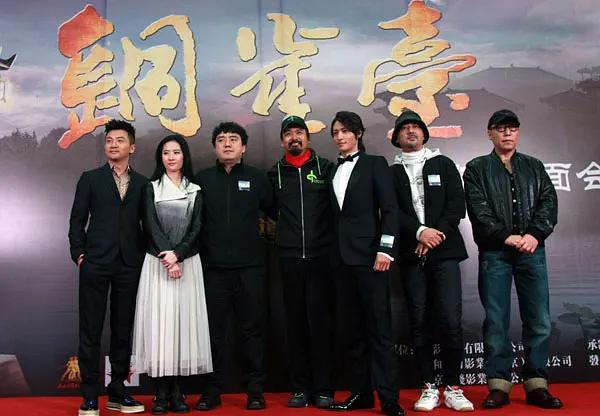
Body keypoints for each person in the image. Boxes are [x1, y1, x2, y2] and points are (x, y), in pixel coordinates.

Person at [463, 109, 563, 409]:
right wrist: (506, 236)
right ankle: (498, 385)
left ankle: (536, 385)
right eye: (501, 128)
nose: (507, 133)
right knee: (496, 321)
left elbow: (548, 202)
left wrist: (534, 234)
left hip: (532, 251)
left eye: (512, 128)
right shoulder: (477, 168)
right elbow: (478, 210)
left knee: (539, 320)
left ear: (518, 133)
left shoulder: (534, 165)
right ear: (489, 133)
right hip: (495, 253)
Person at [389, 110, 473, 412]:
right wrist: (419, 232)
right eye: (405, 128)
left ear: (424, 134)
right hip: (412, 255)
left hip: (445, 253)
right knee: (419, 322)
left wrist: (434, 234)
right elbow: (391, 211)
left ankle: (453, 386)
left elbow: (456, 205)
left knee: (450, 320)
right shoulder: (391, 172)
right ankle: (428, 386)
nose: (411, 131)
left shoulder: (443, 164)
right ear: (397, 137)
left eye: (416, 127)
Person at [327, 111, 404, 416]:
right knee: (352, 333)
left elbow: (390, 210)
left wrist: (385, 249)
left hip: (372, 259)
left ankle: (389, 398)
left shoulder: (375, 164)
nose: (340, 137)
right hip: (341, 262)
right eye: (335, 132)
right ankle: (361, 394)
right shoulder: (332, 170)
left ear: (358, 133)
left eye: (345, 131)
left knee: (379, 332)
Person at [68, 120, 147, 416]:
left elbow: (147, 224)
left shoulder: (143, 183)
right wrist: (79, 255)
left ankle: (117, 390)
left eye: (120, 140)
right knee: (90, 330)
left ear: (132, 147)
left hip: (129, 264)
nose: (113, 144)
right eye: (109, 140)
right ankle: (89, 396)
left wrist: (143, 256)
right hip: (96, 263)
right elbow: (77, 220)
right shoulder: (90, 178)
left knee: (123, 329)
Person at [195, 122, 273, 411]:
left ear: (244, 147)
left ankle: (255, 390)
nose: (227, 144)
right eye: (221, 140)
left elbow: (274, 212)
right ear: (214, 147)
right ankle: (211, 390)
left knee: (252, 330)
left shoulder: (257, 178)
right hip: (213, 268)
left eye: (233, 139)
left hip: (250, 268)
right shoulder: (202, 180)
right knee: (213, 332)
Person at [132, 134, 212, 414]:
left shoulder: (195, 190)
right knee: (159, 327)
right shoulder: (151, 188)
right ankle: (160, 394)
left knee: (181, 327)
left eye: (176, 152)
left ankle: (178, 393)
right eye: (166, 153)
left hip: (188, 264)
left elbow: (197, 227)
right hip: (157, 264)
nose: (171, 157)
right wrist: (168, 256)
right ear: (160, 158)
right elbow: (150, 225)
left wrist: (179, 254)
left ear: (184, 156)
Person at [267, 115, 335, 408]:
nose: (294, 137)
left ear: (308, 137)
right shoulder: (274, 174)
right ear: (282, 140)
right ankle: (299, 388)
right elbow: (269, 213)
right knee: (294, 325)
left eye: (299, 132)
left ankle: (324, 388)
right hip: (289, 258)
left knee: (320, 324)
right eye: (288, 133)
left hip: (321, 258)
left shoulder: (325, 168)